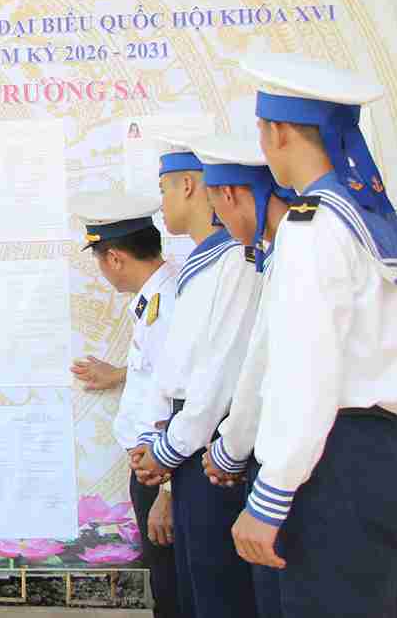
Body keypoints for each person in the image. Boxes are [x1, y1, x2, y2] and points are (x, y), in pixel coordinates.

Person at [216, 53, 397, 618]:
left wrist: (271, 496)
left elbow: (305, 371)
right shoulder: (366, 215)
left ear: (276, 132)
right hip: (378, 449)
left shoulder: (311, 228)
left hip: (333, 460)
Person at [132, 139, 279, 618]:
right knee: (196, 592)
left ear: (189, 186)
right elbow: (180, 370)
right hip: (189, 441)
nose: (161, 202)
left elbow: (218, 377)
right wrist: (159, 441)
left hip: (212, 446)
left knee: (220, 594)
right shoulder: (203, 264)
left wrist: (167, 451)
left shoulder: (235, 261)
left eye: (164, 188)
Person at [183, 134, 292, 618]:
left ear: (227, 194)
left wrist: (229, 449)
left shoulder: (292, 253)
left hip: (290, 458)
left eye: (216, 207)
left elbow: (261, 367)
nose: (220, 223)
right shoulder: (291, 247)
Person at [71, 191, 179, 618]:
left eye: (100, 261)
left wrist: (168, 493)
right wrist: (119, 374)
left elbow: (185, 396)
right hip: (154, 465)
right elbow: (159, 372)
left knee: (174, 591)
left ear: (114, 258)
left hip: (163, 469)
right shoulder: (158, 295)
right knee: (168, 585)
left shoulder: (168, 303)